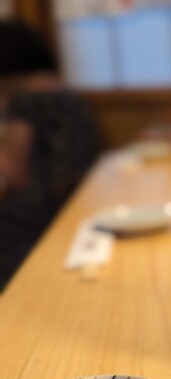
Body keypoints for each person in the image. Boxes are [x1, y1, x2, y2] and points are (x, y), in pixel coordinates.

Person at [0, 20, 99, 291]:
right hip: (80, 206)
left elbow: (15, 174)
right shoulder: (68, 94)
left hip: (36, 219)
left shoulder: (23, 102)